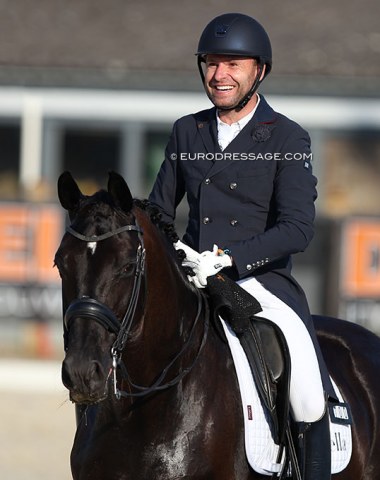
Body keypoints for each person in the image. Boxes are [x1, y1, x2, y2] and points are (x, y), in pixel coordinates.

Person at [149, 12, 332, 480]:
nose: (220, 75)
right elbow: (159, 215)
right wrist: (176, 255)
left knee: (310, 393)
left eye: (234, 64)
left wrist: (229, 259)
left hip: (261, 281)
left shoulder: (288, 137)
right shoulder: (186, 131)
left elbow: (297, 228)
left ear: (260, 72)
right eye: (212, 63)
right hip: (192, 273)